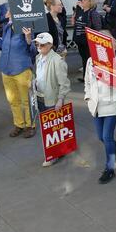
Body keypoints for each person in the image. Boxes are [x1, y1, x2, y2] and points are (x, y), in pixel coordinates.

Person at [0, 10, 37, 138]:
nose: (5, 12)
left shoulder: (25, 26)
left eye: (8, 10)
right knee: (12, 100)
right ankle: (19, 124)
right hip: (6, 69)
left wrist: (28, 38)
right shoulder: (6, 27)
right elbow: (4, 47)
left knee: (27, 100)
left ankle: (30, 125)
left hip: (21, 69)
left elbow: (33, 50)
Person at [84, 32, 116, 184]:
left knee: (106, 137)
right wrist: (88, 97)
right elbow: (87, 80)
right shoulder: (89, 61)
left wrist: (103, 68)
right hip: (96, 105)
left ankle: (110, 168)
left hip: (111, 104)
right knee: (102, 137)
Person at [34, 32, 71, 167]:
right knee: (48, 128)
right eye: (37, 44)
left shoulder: (57, 60)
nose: (39, 46)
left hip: (52, 99)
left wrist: (60, 99)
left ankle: (54, 155)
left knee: (53, 129)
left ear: (50, 45)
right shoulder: (38, 58)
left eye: (42, 44)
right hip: (40, 97)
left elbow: (65, 83)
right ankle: (59, 151)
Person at [73, 0, 102, 82]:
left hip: (88, 41)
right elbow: (76, 24)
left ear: (90, 2)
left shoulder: (93, 13)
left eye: (84, 0)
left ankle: (92, 77)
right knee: (84, 59)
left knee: (90, 59)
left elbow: (97, 28)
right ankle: (85, 77)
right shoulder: (80, 12)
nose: (82, 1)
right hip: (80, 41)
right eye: (82, 0)